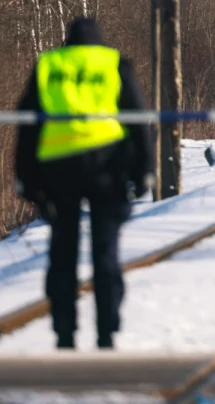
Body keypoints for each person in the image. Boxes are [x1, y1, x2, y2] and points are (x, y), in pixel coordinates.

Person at [14, 17, 154, 350]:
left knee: (62, 253)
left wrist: (26, 179)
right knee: (105, 251)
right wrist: (144, 170)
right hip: (107, 167)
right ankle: (106, 332)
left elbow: (28, 125)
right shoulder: (113, 63)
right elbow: (138, 120)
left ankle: (65, 334)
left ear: (68, 41)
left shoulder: (49, 64)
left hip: (58, 170)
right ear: (97, 41)